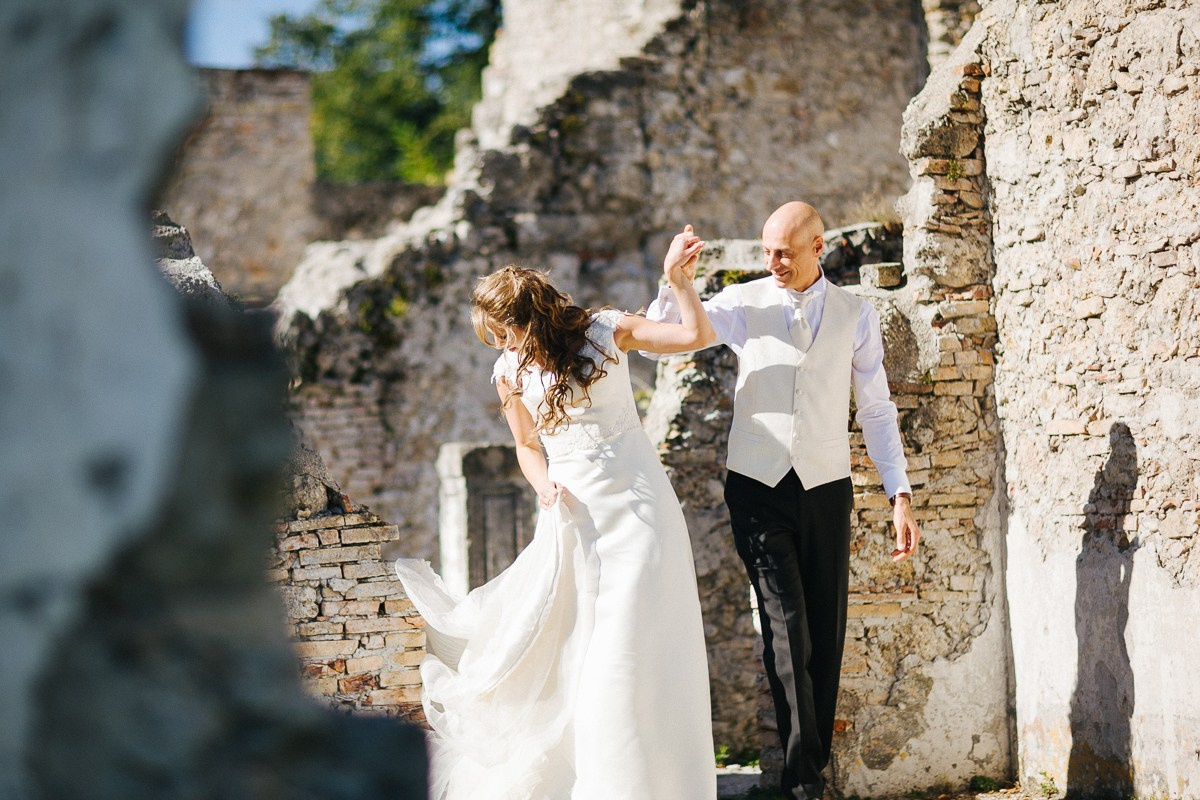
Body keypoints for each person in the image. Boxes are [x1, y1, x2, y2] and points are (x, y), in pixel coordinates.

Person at [394, 226, 719, 800]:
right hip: (574, 520)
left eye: (505, 332)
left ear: (532, 318)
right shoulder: (508, 371)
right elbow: (526, 445)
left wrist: (677, 281)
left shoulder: (606, 330)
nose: (501, 344)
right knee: (587, 654)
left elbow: (697, 334)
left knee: (642, 646)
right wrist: (544, 485)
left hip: (640, 511)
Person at [644, 201, 921, 800]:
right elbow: (668, 339)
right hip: (757, 487)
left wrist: (898, 492)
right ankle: (803, 785)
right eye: (767, 251)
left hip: (826, 487)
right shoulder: (745, 302)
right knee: (788, 628)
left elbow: (876, 409)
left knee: (825, 631)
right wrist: (675, 284)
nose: (773, 262)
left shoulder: (856, 314)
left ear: (818, 248)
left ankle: (808, 770)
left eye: (785, 253)